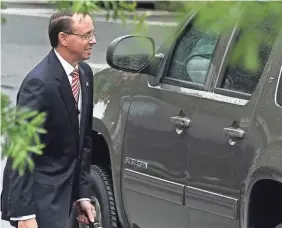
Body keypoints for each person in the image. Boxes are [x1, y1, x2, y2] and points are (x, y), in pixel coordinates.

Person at [1, 11, 97, 228]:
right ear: (63, 38)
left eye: (93, 33)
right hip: (41, 202)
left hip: (67, 199)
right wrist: (23, 213)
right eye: (86, 35)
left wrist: (82, 194)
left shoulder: (85, 74)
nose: (93, 41)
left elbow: (83, 142)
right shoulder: (39, 83)